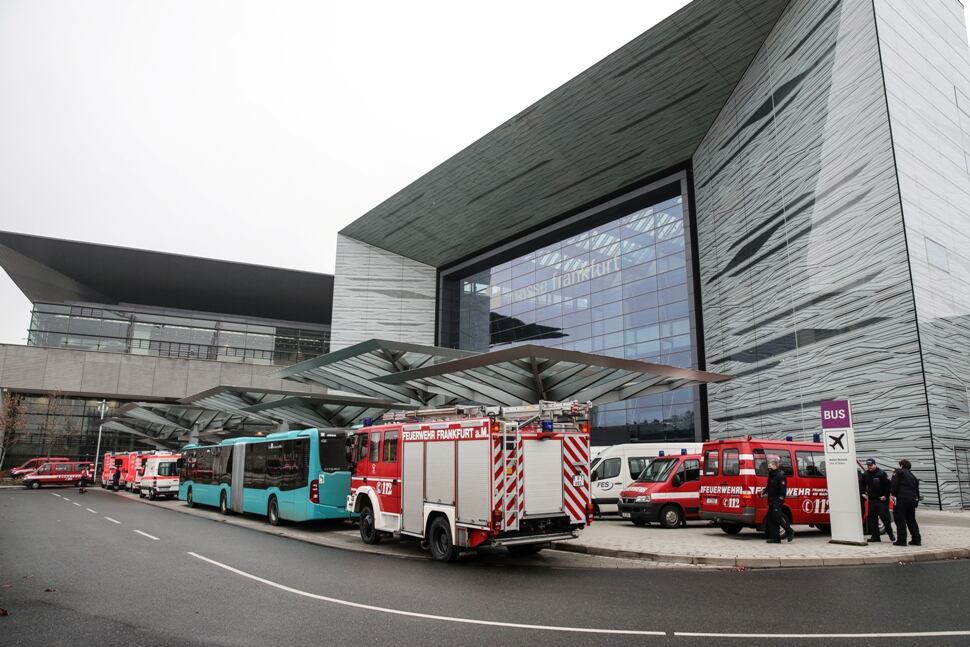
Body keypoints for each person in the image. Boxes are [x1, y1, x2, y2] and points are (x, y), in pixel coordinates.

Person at [861, 458, 895, 543]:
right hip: (872, 500)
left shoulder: (882, 473)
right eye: (868, 466)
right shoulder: (865, 474)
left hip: (882, 500)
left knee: (885, 518)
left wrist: (886, 496)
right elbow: (862, 484)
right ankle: (875, 536)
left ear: (875, 464)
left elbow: (888, 486)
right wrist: (863, 493)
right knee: (872, 519)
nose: (870, 467)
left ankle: (890, 533)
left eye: (871, 465)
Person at [890, 459, 922, 546]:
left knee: (900, 519)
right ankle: (916, 540)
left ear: (901, 465)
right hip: (912, 499)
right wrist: (917, 501)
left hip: (902, 499)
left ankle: (901, 540)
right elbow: (917, 489)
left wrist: (893, 494)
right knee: (911, 520)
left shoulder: (898, 472)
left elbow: (894, 483)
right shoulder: (913, 476)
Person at [763, 458, 794, 543]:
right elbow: (769, 487)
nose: (769, 466)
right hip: (771, 500)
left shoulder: (780, 475)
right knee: (771, 519)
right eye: (769, 465)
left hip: (777, 500)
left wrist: (780, 499)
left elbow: (783, 489)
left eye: (771, 465)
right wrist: (764, 491)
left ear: (776, 466)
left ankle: (790, 531)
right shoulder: (771, 474)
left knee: (777, 517)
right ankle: (776, 539)